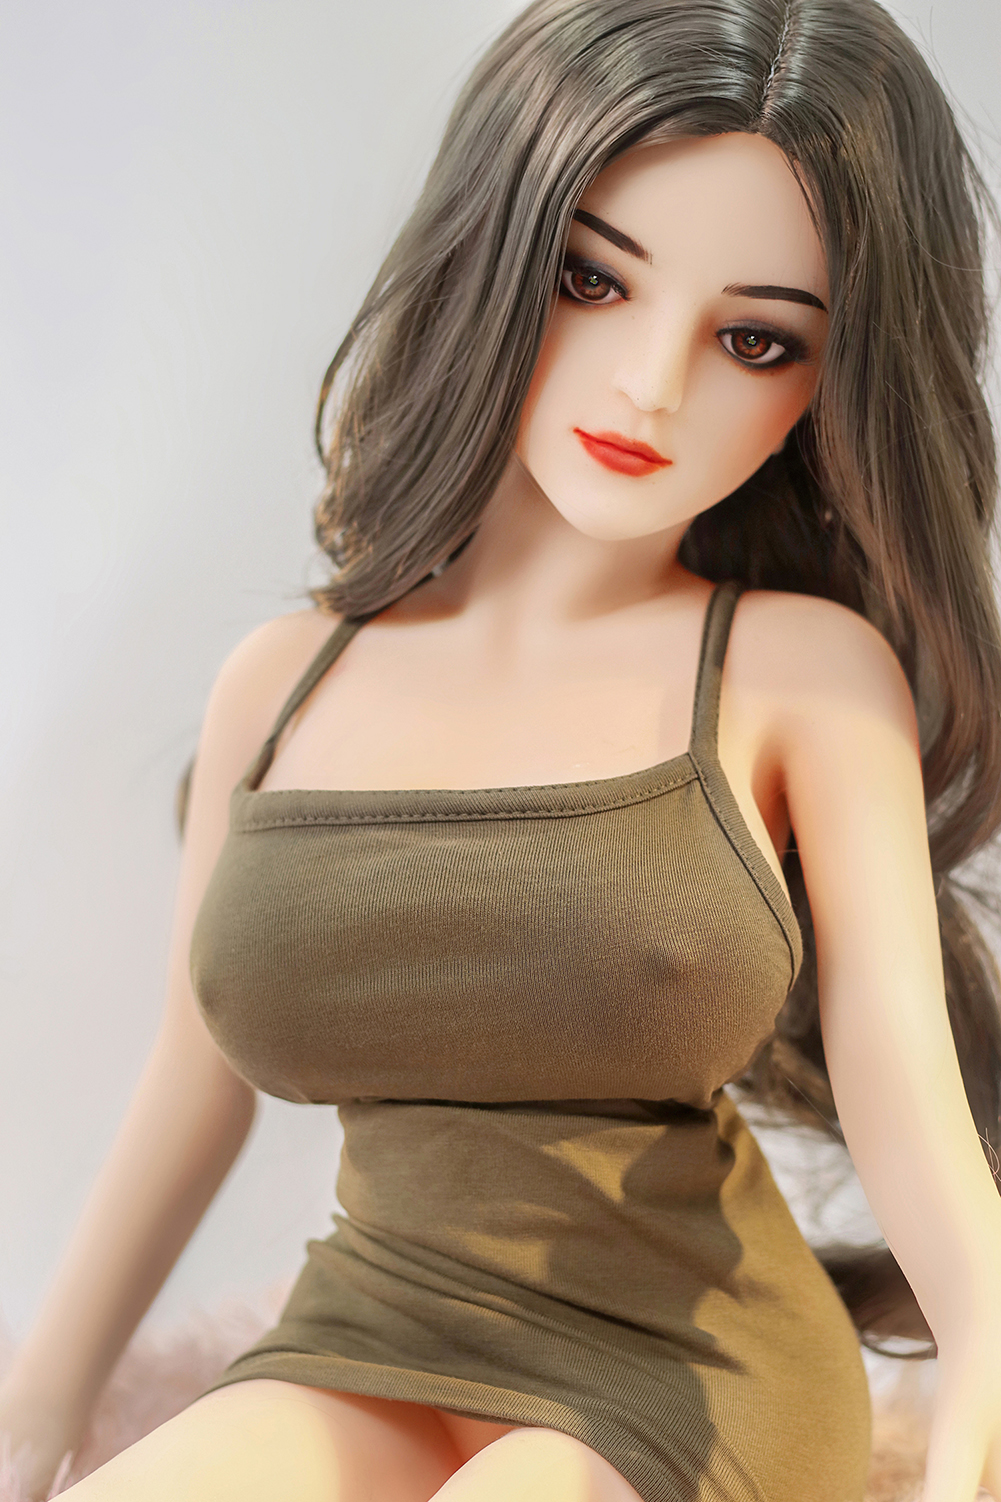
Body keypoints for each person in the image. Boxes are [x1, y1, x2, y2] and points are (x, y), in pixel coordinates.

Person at [2, 0, 1001, 1497]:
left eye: (753, 339)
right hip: (370, 1327)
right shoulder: (281, 681)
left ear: (828, 384)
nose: (651, 384)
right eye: (591, 277)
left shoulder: (797, 671)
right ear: (492, 253)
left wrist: (979, 1383)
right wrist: (35, 1412)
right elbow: (189, 1085)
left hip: (688, 1366)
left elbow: (898, 1083)